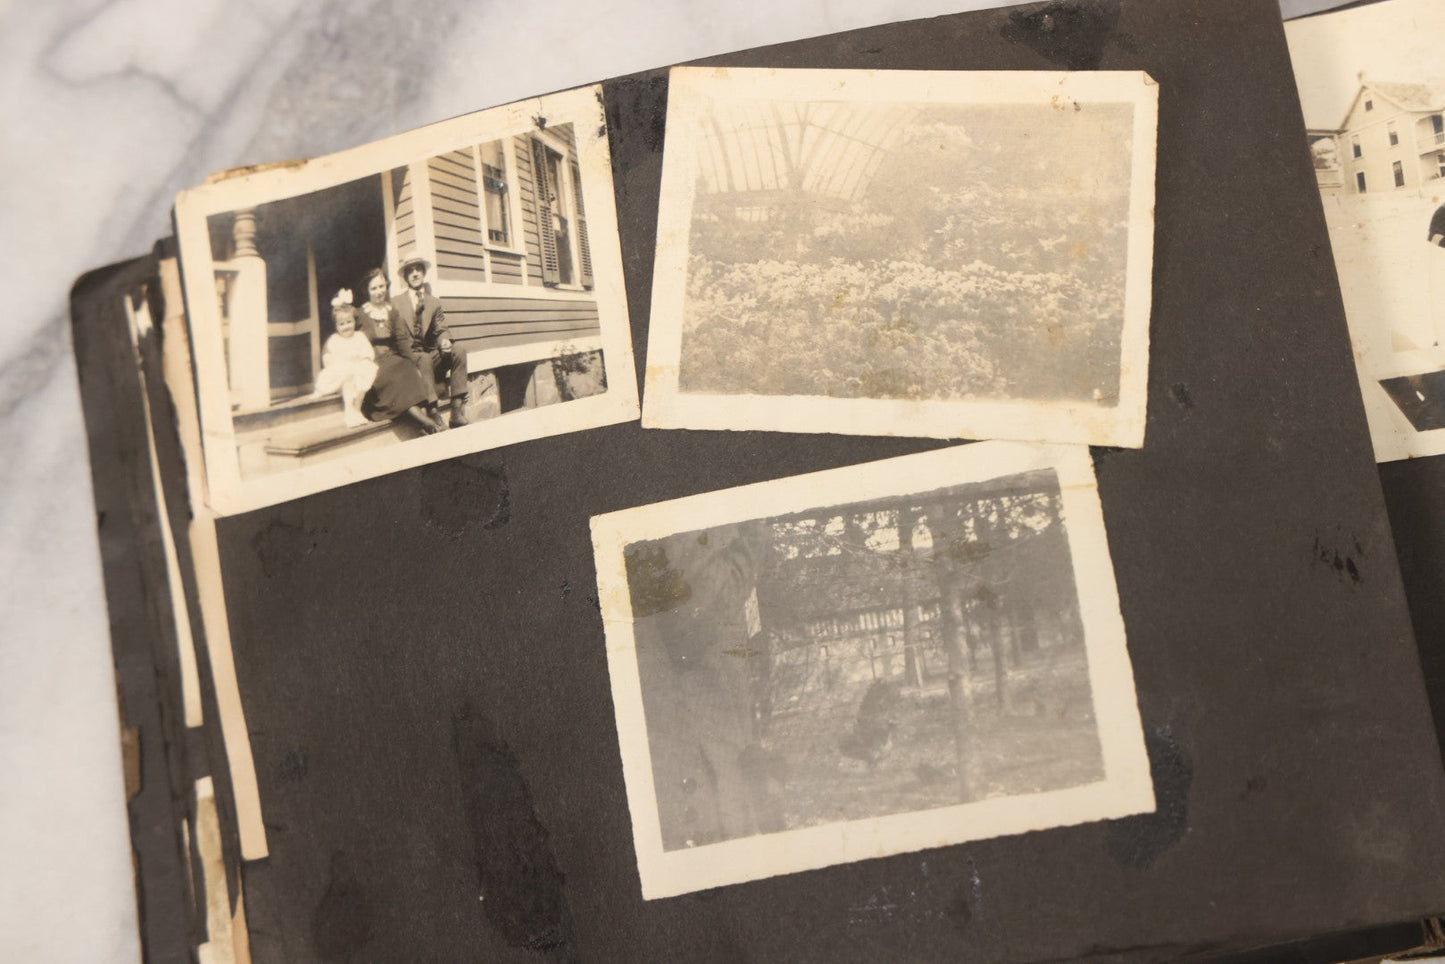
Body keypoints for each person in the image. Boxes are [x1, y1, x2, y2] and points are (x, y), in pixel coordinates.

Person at [357, 267, 446, 434]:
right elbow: (350, 340)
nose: (379, 291)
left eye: (382, 286)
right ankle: (427, 422)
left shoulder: (392, 312)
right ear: (367, 291)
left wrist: (413, 363)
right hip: (371, 363)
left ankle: (427, 420)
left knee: (406, 369)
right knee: (394, 377)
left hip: (393, 358)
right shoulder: (360, 314)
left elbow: (402, 341)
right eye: (374, 288)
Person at [392, 254, 470, 427]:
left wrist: (445, 341)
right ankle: (433, 411)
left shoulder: (433, 302)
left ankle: (456, 410)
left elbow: (441, 328)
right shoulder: (396, 303)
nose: (415, 274)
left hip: (429, 358)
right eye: (410, 271)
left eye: (418, 270)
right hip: (409, 360)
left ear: (423, 273)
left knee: (459, 350)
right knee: (424, 358)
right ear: (405, 277)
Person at [311, 290, 378, 427]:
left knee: (365, 370)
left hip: (359, 372)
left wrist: (363, 359)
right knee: (348, 379)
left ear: (354, 321)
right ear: (336, 326)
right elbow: (329, 359)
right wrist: (338, 363)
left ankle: (357, 408)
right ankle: (349, 411)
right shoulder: (335, 340)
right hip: (342, 374)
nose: (346, 326)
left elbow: (368, 353)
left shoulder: (359, 336)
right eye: (342, 324)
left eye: (349, 322)